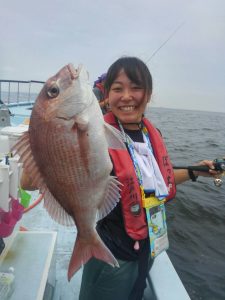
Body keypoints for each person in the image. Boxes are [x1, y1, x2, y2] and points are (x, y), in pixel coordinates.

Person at [20, 57, 221, 300]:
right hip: (110, 249)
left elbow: (156, 181)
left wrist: (194, 172)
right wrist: (43, 138)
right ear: (106, 94)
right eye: (118, 88)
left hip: (147, 247)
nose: (127, 96)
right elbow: (28, 183)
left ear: (149, 94)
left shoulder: (150, 133)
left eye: (136, 88)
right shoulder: (96, 129)